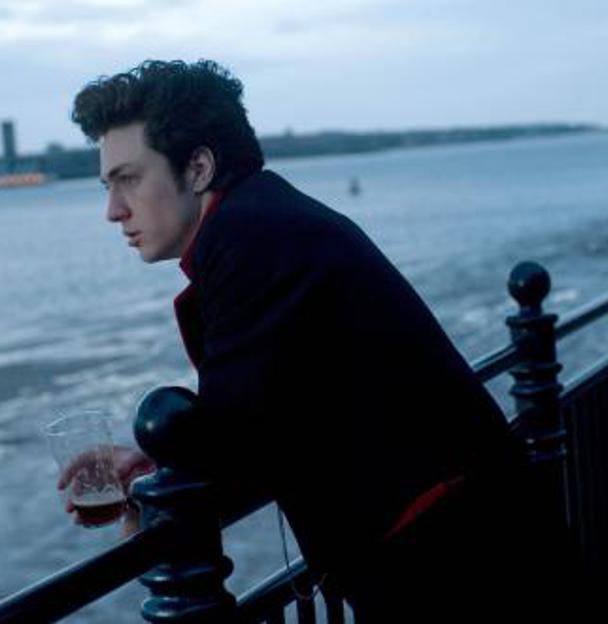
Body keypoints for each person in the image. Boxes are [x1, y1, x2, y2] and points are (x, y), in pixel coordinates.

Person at [63, 59, 571, 621]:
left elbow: (229, 444)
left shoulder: (251, 241)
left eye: (129, 179)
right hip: (470, 542)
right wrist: (157, 463)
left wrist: (149, 490)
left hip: (459, 566)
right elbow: (260, 418)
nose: (113, 211)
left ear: (199, 167)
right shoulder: (265, 220)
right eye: (108, 186)